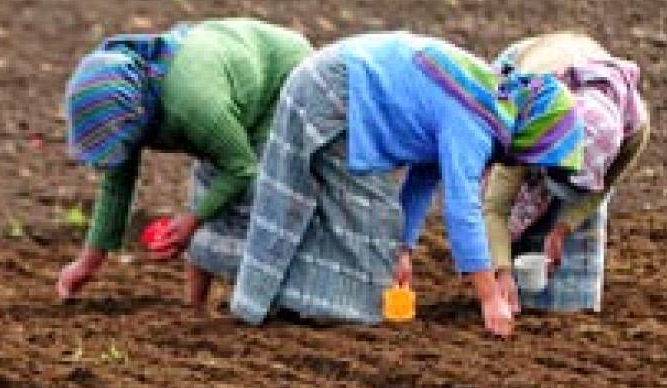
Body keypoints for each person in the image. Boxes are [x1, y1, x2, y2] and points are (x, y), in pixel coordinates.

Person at [229, 31, 584, 337]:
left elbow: (423, 175)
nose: (528, 166)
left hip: (332, 80)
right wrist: (490, 298)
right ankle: (326, 312)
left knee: (363, 219)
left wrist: (405, 248)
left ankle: (290, 302)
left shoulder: (489, 100)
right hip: (335, 88)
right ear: (532, 133)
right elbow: (463, 211)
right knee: (373, 219)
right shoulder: (475, 121)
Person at [57, 19, 312, 307]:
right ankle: (194, 308)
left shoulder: (190, 106)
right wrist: (86, 265)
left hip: (281, 75)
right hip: (224, 79)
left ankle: (262, 303)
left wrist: (192, 220)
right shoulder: (131, 106)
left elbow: (242, 168)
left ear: (137, 112)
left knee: (254, 201)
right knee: (207, 189)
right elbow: (116, 185)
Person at [483, 32, 649, 314]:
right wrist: (501, 271)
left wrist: (563, 227)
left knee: (574, 292)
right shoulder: (529, 114)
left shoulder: (632, 130)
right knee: (507, 216)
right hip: (527, 67)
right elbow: (495, 208)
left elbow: (602, 188)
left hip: (579, 63)